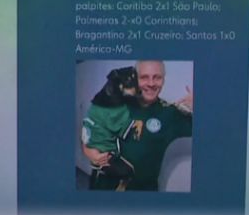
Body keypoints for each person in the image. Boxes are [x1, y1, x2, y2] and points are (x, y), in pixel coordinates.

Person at [83, 60, 193, 191]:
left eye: (157, 77)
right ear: (135, 79)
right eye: (144, 77)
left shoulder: (170, 113)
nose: (151, 83)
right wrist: (88, 151)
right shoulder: (115, 103)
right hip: (102, 187)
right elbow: (89, 130)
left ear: (163, 80)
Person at [81, 65, 139, 185]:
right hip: (105, 158)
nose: (135, 88)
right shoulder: (114, 110)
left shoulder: (97, 104)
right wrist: (86, 149)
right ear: (116, 84)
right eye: (128, 83)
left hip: (100, 155)